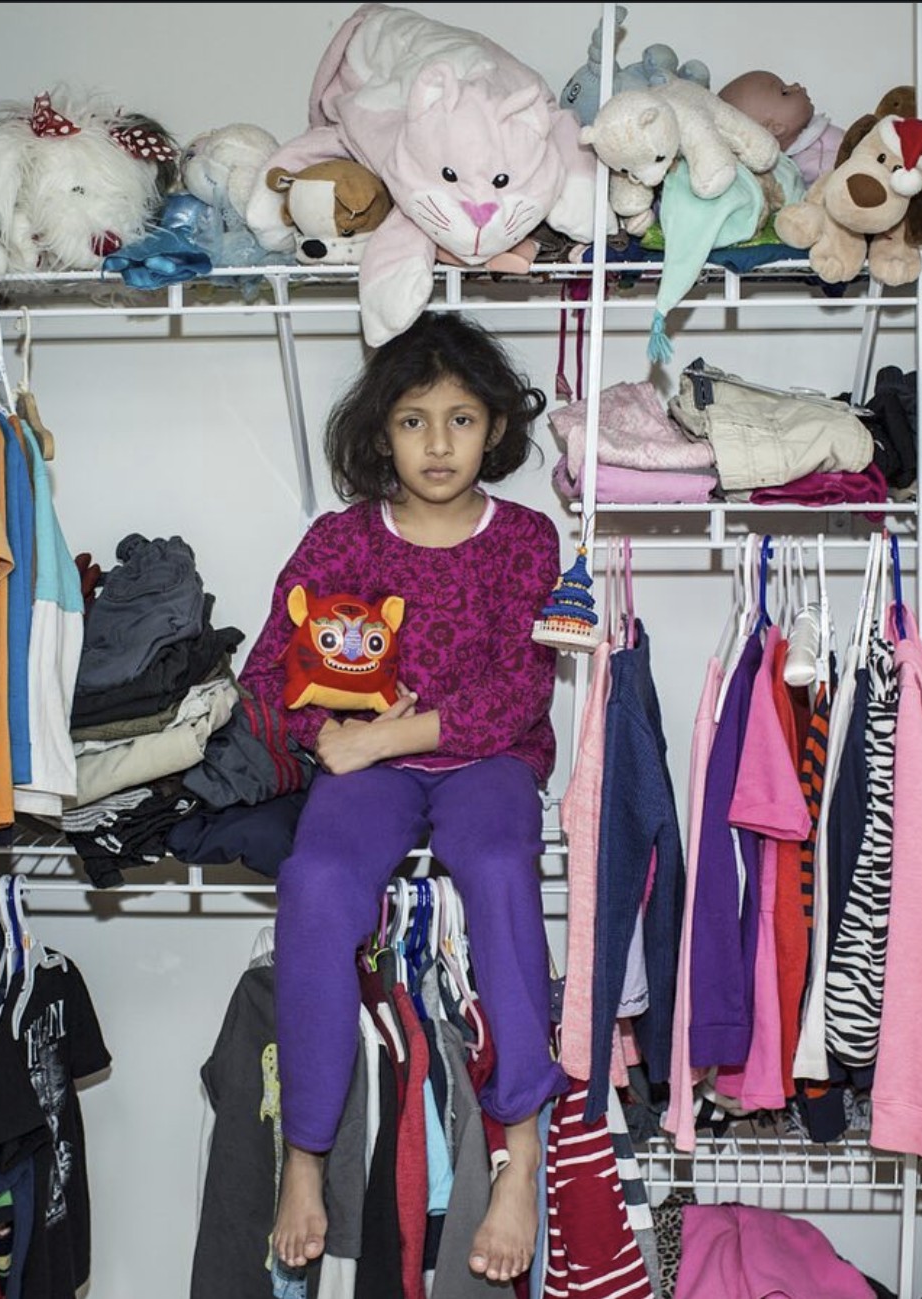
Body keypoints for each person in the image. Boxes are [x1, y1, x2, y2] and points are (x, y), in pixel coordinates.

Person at [237, 310, 569, 1284]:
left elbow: (521, 690)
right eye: (416, 420)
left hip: (488, 764)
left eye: (461, 419)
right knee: (318, 882)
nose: (438, 443)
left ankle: (523, 1152)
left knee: (504, 870)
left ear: (496, 430)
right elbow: (275, 675)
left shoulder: (526, 541)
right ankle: (303, 1157)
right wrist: (334, 734)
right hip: (371, 778)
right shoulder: (343, 540)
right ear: (382, 430)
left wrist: (394, 730)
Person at [717, 70, 845, 186]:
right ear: (776, 128)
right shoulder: (809, 162)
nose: (796, 86)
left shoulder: (815, 136)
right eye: (784, 92)